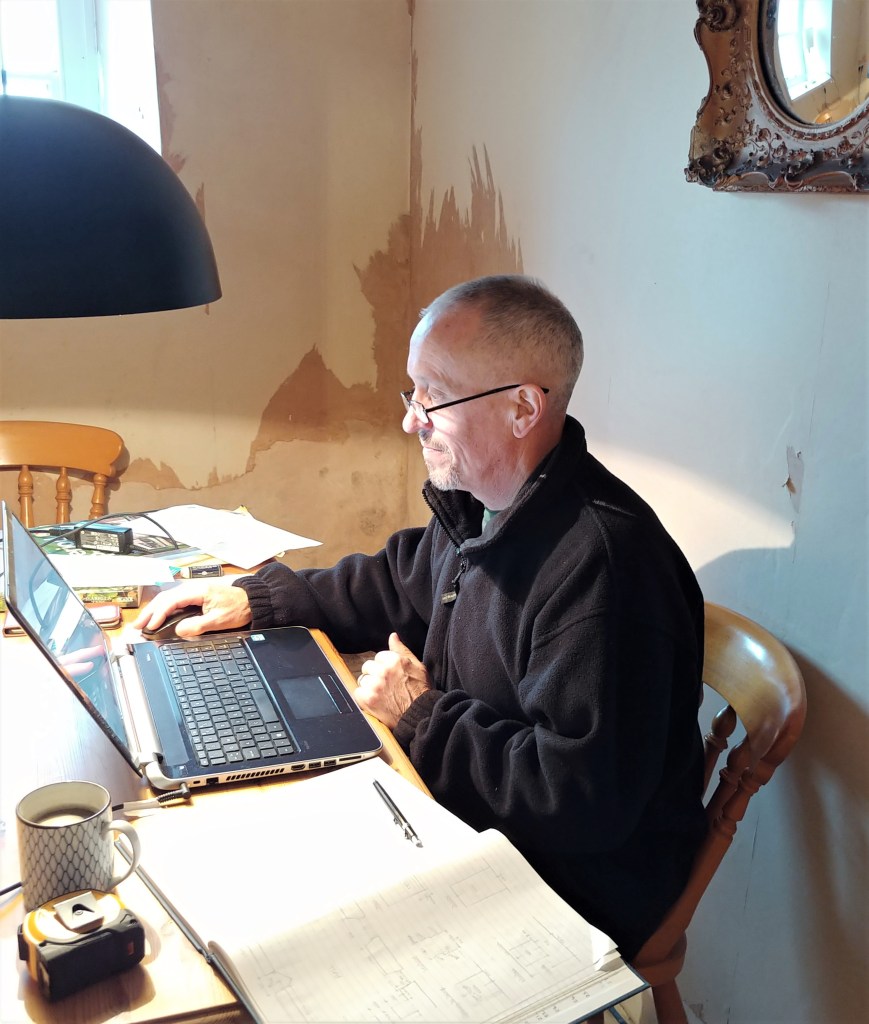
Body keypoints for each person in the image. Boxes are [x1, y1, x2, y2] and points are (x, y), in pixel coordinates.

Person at [134, 275, 707, 960]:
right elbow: (397, 582)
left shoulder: (604, 569)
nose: (411, 420)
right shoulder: (490, 500)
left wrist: (420, 714)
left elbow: (581, 800)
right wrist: (261, 600)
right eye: (413, 392)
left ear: (522, 407)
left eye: (433, 395)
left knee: (276, 930)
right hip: (467, 811)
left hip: (572, 887)